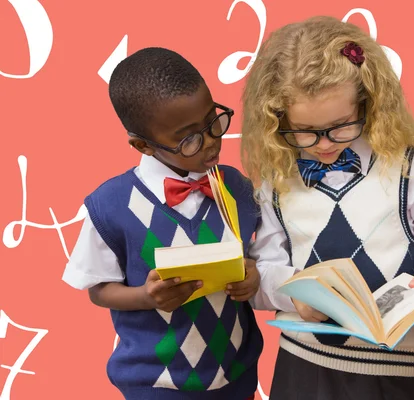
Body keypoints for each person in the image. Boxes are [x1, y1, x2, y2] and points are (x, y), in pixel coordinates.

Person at [241, 16, 414, 400]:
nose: (324, 144)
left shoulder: (407, 166)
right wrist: (292, 296)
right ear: (277, 118)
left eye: (341, 125)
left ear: (367, 103)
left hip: (394, 368)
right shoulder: (275, 179)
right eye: (304, 131)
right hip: (303, 366)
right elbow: (261, 272)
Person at [62, 47, 263, 400]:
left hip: (238, 379)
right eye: (189, 139)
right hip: (157, 386)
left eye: (213, 120)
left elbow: (263, 254)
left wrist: (254, 274)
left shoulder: (236, 187)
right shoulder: (110, 206)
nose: (213, 141)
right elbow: (97, 289)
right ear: (143, 145)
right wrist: (145, 296)